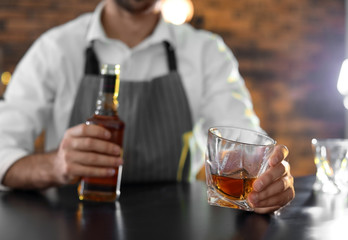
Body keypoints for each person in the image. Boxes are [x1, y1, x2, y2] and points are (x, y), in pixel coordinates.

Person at [0, 0, 294, 214]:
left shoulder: (206, 52)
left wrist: (268, 178)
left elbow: (244, 142)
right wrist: (54, 165)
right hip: (68, 223)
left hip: (176, 226)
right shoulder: (54, 48)